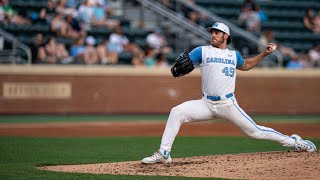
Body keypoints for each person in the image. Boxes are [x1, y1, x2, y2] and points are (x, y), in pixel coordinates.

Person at [141, 22, 317, 164]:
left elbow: (246, 65)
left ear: (226, 36)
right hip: (206, 104)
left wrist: (264, 54)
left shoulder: (234, 56)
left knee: (255, 132)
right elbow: (182, 64)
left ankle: (296, 143)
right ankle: (164, 153)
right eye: (212, 32)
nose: (213, 35)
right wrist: (177, 69)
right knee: (177, 111)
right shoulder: (202, 51)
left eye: (217, 32)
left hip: (227, 105)